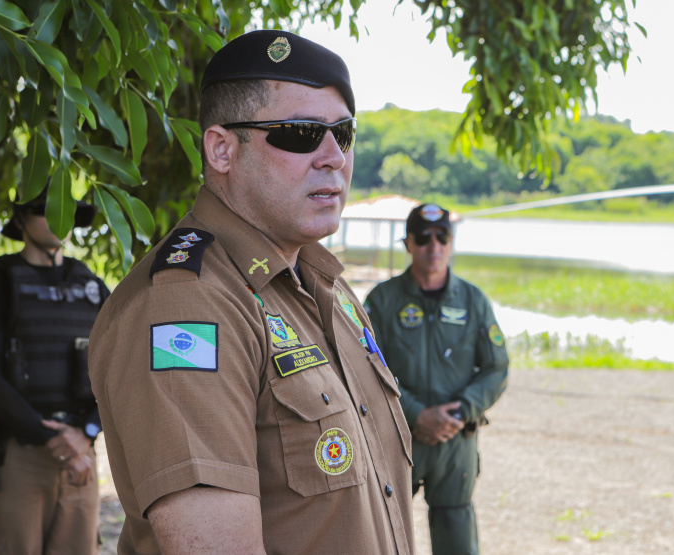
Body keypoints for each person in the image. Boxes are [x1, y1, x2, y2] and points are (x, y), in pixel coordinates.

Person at [88, 30, 414, 554]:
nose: (333, 156)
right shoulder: (187, 305)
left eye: (343, 133)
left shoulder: (327, 289)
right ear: (221, 149)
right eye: (301, 132)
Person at [0, 189, 109, 554]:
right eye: (45, 209)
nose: (58, 217)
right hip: (21, 452)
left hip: (81, 452)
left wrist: (86, 432)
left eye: (68, 210)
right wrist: (53, 441)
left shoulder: (91, 285)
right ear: (22, 220)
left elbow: (117, 376)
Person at [364, 203, 509, 555]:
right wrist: (416, 413)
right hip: (398, 437)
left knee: (457, 542)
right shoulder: (382, 300)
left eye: (442, 237)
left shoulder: (473, 300)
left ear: (452, 241)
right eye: (424, 238)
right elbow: (365, 368)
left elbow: (496, 368)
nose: (434, 247)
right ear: (408, 243)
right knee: (384, 537)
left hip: (455, 442)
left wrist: (459, 412)